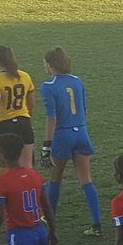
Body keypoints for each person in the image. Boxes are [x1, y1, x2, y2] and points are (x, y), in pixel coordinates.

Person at [39, 47, 102, 235]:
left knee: (55, 178)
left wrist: (46, 147)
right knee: (86, 180)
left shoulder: (48, 86)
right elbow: (84, 109)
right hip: (81, 132)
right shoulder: (77, 81)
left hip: (62, 136)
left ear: (50, 64)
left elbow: (52, 118)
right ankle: (97, 223)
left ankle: (50, 219)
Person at [0, 45, 38, 166]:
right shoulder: (25, 76)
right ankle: (30, 185)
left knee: (4, 166)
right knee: (27, 166)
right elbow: (32, 104)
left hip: (3, 126)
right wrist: (26, 119)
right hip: (24, 124)